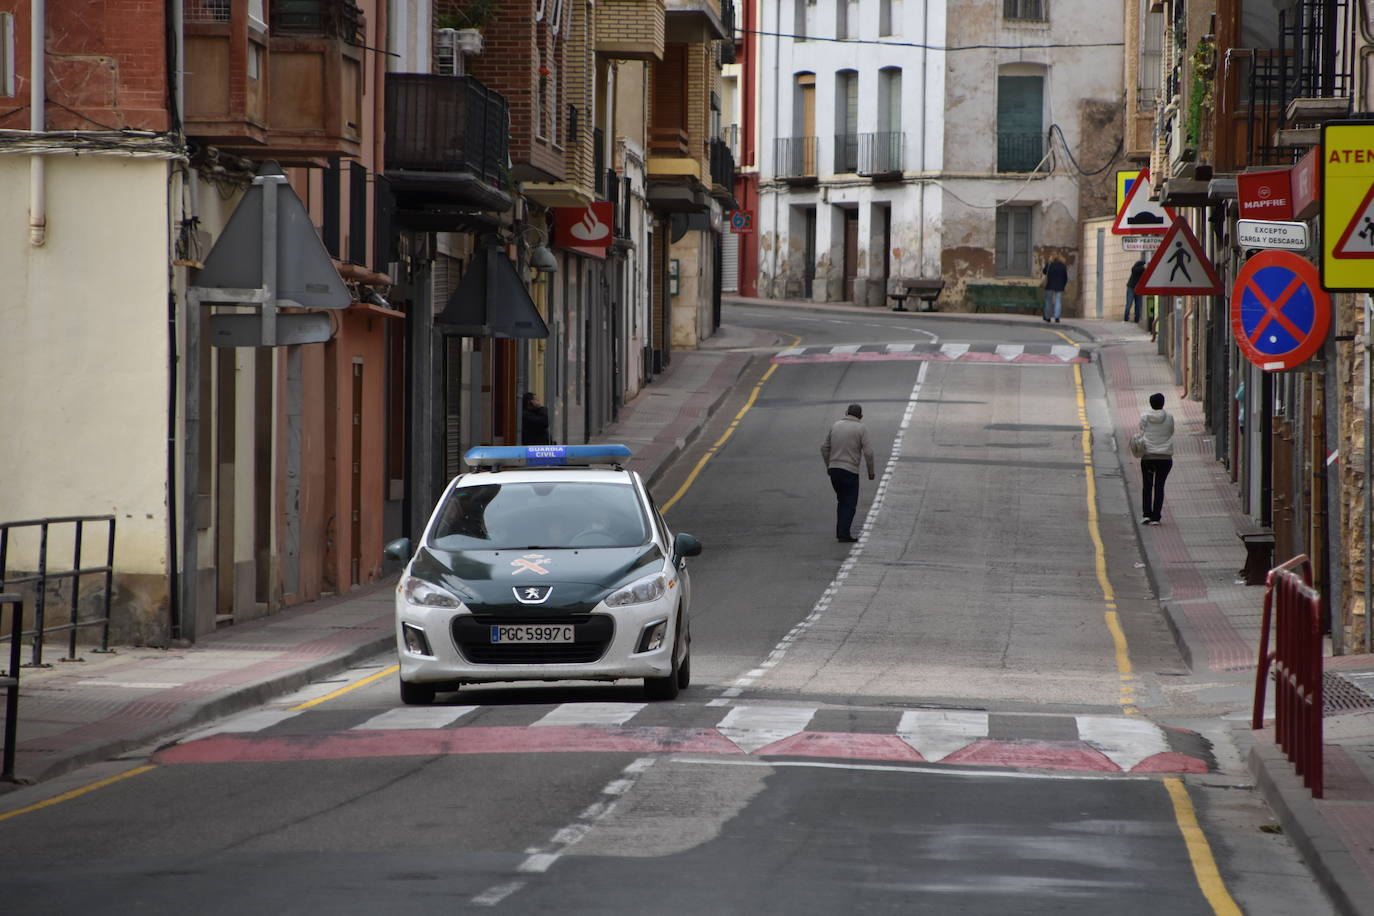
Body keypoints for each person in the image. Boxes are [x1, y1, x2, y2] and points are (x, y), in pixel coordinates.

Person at [821, 403, 875, 543]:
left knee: (842, 500)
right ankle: (844, 534)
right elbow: (868, 453)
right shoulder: (861, 428)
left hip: (834, 469)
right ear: (861, 416)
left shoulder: (836, 425)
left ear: (846, 412)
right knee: (849, 502)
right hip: (850, 471)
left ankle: (841, 531)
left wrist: (829, 465)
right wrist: (871, 472)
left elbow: (824, 448)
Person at [1138, 392, 1175, 526]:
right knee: (1160, 486)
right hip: (1165, 457)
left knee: (1147, 486)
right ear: (1163, 403)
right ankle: (1156, 517)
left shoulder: (1144, 417)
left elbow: (1141, 431)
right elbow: (1171, 432)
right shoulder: (1169, 417)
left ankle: (1146, 514)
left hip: (1148, 456)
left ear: (1151, 403)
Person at [1041, 256, 1069, 323]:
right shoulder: (1063, 266)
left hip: (1050, 285)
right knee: (1058, 301)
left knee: (1048, 301)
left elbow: (1044, 272)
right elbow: (1065, 277)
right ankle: (1057, 317)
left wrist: (1048, 264)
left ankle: (1047, 317)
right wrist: (1063, 285)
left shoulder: (1049, 264)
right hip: (1059, 286)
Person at [1125, 256, 1146, 323]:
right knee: (1131, 304)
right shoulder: (1137, 269)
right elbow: (1135, 269)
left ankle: (1135, 319)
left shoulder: (1140, 270)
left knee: (1136, 304)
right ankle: (1127, 318)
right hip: (1132, 288)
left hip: (1136, 288)